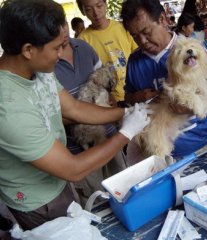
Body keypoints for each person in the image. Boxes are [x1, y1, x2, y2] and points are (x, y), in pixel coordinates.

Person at [0, 0, 150, 230]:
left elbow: (75, 108)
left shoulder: (37, 70)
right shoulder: (8, 105)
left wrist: (125, 112)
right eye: (56, 48)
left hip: (59, 181)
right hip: (39, 200)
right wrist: (127, 132)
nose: (61, 55)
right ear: (28, 50)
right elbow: (73, 167)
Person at [121, 0, 207, 159]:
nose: (143, 41)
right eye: (135, 36)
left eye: (146, 32)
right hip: (156, 149)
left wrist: (189, 107)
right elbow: (128, 97)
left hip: (197, 144)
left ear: (162, 19)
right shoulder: (134, 61)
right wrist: (137, 97)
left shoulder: (192, 50)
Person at [54, 22, 125, 206]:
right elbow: (53, 116)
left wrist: (118, 118)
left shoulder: (84, 47)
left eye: (62, 25)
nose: (62, 31)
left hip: (110, 138)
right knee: (97, 201)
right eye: (54, 28)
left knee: (124, 189)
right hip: (80, 151)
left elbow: (107, 82)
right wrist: (86, 115)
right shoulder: (45, 61)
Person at [76, 0, 138, 107]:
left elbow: (137, 56)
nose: (96, 13)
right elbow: (88, 79)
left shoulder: (123, 28)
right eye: (89, 9)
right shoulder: (82, 41)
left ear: (106, 4)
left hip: (135, 94)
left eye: (99, 5)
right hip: (108, 101)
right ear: (83, 12)